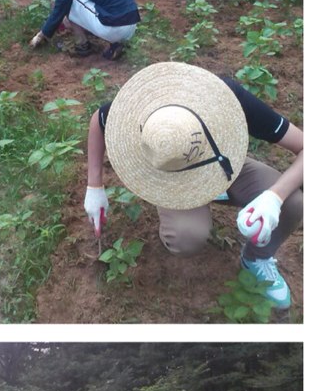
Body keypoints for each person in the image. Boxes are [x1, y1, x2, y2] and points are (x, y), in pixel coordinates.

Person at [83, 61, 303, 309]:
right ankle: (187, 207)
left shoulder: (227, 98)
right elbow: (99, 119)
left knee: (293, 201)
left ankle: (256, 258)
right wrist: (94, 187)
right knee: (186, 237)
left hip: (221, 163)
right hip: (171, 178)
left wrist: (273, 197)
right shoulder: (135, 112)